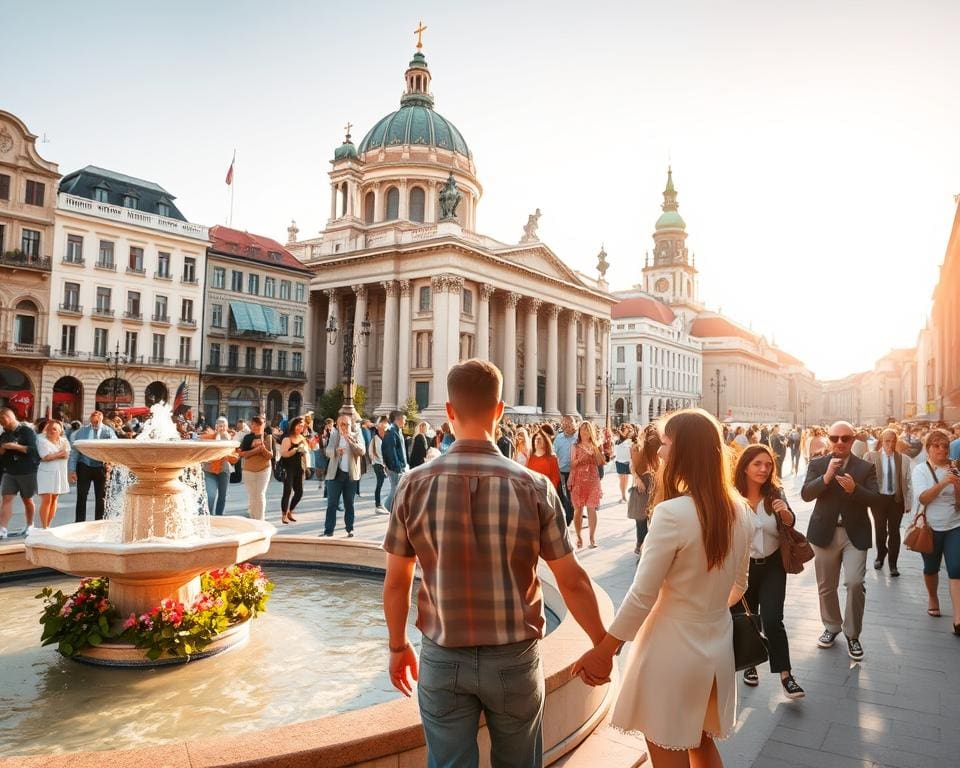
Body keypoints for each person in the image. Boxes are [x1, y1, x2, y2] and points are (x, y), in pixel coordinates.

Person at [382, 359, 606, 768]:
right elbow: (571, 580)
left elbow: (397, 581)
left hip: (443, 654)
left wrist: (398, 645)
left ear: (449, 410)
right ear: (500, 410)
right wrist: (601, 644)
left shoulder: (413, 484)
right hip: (513, 658)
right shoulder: (534, 487)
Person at [573, 408, 753, 767]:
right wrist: (706, 609)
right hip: (717, 646)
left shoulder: (673, 513)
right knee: (701, 744)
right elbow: (740, 584)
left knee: (668, 748)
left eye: (666, 443)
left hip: (671, 650)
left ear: (684, 451)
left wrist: (605, 650)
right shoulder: (740, 510)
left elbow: (643, 594)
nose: (660, 451)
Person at [801, 421, 881, 661]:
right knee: (826, 586)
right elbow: (806, 494)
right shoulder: (817, 464)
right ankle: (831, 626)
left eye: (845, 438)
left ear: (853, 440)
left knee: (855, 582)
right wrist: (826, 477)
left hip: (854, 533)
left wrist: (855, 489)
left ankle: (852, 634)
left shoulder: (866, 467)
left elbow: (876, 500)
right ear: (829, 438)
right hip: (824, 533)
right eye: (835, 438)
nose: (839, 442)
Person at [733, 445, 805, 699]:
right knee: (747, 618)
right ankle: (750, 664)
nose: (764, 469)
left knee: (773, 619)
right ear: (744, 467)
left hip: (773, 565)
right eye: (757, 464)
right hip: (742, 568)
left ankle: (786, 676)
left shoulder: (775, 493)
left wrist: (784, 513)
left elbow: (790, 521)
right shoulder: (732, 496)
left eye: (768, 465)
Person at [911, 429, 960, 634]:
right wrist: (943, 483)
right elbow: (923, 498)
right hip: (930, 528)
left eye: (945, 446)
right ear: (928, 448)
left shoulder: (956, 467)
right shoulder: (921, 470)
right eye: (936, 445)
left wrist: (957, 487)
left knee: (956, 568)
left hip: (955, 526)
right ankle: (933, 597)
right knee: (931, 568)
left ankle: (958, 619)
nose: (942, 449)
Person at [864, 428, 913, 577]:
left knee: (894, 531)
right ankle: (880, 555)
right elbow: (864, 479)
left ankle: (893, 564)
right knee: (880, 530)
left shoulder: (903, 459)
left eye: (893, 441)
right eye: (887, 441)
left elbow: (908, 482)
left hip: (896, 500)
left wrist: (908, 502)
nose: (890, 445)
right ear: (881, 441)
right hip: (878, 500)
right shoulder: (871, 457)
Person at [68, 410, 116, 523]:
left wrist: (110, 463)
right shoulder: (82, 431)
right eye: (93, 420)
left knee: (101, 498)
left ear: (101, 419)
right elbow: (75, 452)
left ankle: (99, 523)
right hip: (84, 466)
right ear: (90, 419)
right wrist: (72, 470)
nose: (95, 423)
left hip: (101, 467)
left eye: (97, 421)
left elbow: (114, 449)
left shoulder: (108, 431)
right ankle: (79, 522)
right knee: (81, 496)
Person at [323, 414, 366, 538]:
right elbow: (328, 451)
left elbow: (362, 451)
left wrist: (351, 441)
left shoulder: (356, 434)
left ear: (350, 424)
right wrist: (336, 451)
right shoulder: (334, 435)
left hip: (350, 475)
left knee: (349, 503)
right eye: (341, 424)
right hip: (335, 474)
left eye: (346, 424)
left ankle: (349, 528)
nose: (344, 427)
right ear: (337, 425)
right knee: (332, 503)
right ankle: (329, 530)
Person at [0, 407, 41, 537]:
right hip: (9, 471)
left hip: (27, 470)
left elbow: (33, 451)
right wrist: (2, 450)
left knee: (27, 499)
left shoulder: (26, 431)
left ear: (8, 417)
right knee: (6, 499)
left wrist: (15, 446)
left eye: (1, 419)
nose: (1, 423)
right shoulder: (4, 434)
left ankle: (30, 525)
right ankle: (2, 528)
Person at [568, 421, 603, 549]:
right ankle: (579, 536)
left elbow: (600, 462)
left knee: (591, 508)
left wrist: (596, 450)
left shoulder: (595, 445)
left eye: (587, 429)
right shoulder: (575, 446)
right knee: (578, 509)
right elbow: (572, 464)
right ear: (579, 431)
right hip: (578, 480)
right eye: (582, 429)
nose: (584, 432)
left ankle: (592, 537)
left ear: (591, 432)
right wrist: (580, 458)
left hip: (593, 479)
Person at [628, 424, 661, 555]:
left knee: (654, 516)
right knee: (641, 517)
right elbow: (633, 467)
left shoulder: (657, 448)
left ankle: (651, 545)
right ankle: (640, 543)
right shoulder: (636, 448)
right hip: (642, 482)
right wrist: (637, 479)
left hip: (655, 482)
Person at [238, 416, 274, 521]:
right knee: (252, 495)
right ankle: (253, 518)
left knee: (260, 494)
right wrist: (257, 450)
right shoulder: (247, 438)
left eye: (259, 424)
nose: (256, 427)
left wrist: (262, 449)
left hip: (264, 469)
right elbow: (243, 454)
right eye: (254, 424)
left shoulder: (268, 437)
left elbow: (270, 455)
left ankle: (260, 520)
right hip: (249, 470)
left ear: (263, 425)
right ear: (251, 425)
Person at [37, 419, 70, 529]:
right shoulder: (41, 440)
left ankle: (48, 525)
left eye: (54, 429)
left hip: (60, 472)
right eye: (49, 429)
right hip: (46, 473)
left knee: (55, 499)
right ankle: (44, 526)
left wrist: (54, 455)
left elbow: (66, 455)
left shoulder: (64, 441)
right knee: (47, 499)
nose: (51, 431)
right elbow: (45, 457)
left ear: (60, 431)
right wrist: (60, 454)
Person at [201, 417, 236, 516]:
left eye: (224, 425)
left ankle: (219, 516)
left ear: (227, 427)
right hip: (209, 470)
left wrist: (230, 454)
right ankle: (209, 516)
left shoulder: (231, 438)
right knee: (211, 495)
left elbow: (235, 454)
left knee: (222, 496)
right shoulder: (209, 436)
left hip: (224, 470)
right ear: (216, 426)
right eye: (220, 425)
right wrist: (216, 436)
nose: (222, 427)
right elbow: (202, 442)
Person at [278, 416, 309, 524]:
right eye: (298, 425)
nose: (300, 428)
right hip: (288, 468)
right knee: (287, 491)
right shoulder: (287, 438)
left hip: (300, 468)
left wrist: (307, 449)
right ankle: (284, 514)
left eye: (302, 426)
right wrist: (295, 450)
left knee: (299, 492)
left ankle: (290, 511)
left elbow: (307, 450)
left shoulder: (302, 438)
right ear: (293, 425)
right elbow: (283, 453)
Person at [381, 410, 408, 513]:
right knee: (395, 489)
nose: (405, 422)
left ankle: (391, 509)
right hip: (395, 468)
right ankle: (388, 508)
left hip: (398, 466)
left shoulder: (396, 431)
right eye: (404, 419)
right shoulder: (391, 432)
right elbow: (390, 452)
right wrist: (398, 467)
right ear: (398, 419)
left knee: (396, 488)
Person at [554, 415, 577, 526]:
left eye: (569, 423)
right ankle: (568, 518)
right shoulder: (559, 438)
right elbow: (554, 454)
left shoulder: (578, 438)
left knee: (573, 496)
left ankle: (570, 517)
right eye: (564, 424)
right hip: (562, 472)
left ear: (574, 424)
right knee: (565, 496)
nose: (566, 426)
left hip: (576, 472)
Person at [369, 417, 389, 515]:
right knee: (379, 485)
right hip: (379, 464)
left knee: (380, 484)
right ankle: (378, 505)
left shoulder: (377, 439)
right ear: (379, 430)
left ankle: (379, 504)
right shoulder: (377, 440)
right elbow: (379, 454)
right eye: (383, 430)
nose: (385, 432)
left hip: (377, 464)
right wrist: (384, 464)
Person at [614, 424, 635, 503]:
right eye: (623, 428)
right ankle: (623, 496)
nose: (624, 430)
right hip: (619, 462)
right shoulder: (617, 441)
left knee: (626, 479)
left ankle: (625, 495)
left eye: (626, 428)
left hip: (628, 462)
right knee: (622, 479)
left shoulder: (630, 440)